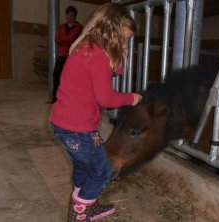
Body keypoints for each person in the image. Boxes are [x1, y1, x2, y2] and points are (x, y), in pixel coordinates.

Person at [50, 3, 142, 222]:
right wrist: (131, 98)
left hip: (62, 124)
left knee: (83, 165)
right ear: (110, 32)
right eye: (124, 39)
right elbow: (106, 98)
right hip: (78, 129)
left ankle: (83, 199)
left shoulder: (85, 47)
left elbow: (114, 70)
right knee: (101, 171)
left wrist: (118, 54)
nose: (124, 44)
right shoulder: (99, 56)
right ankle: (81, 213)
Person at [46, 5, 83, 104]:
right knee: (56, 75)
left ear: (75, 16)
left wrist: (64, 40)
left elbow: (71, 39)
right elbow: (56, 39)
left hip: (72, 56)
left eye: (71, 15)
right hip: (62, 55)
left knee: (70, 78)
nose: (69, 17)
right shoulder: (62, 26)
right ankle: (55, 98)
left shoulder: (79, 28)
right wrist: (66, 41)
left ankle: (70, 98)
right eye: (68, 15)